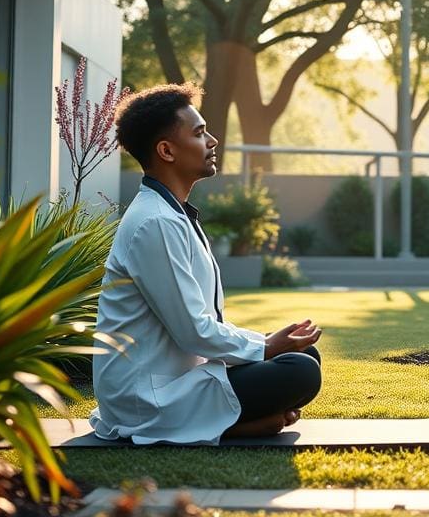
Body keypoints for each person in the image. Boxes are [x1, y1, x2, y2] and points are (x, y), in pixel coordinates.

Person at [89, 82, 322, 445]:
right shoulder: (155, 223)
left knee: (306, 353)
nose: (212, 140)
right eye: (199, 133)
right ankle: (238, 425)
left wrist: (267, 342)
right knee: (300, 371)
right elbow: (193, 332)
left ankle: (242, 421)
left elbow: (202, 327)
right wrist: (266, 347)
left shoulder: (173, 214)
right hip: (147, 397)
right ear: (166, 150)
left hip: (182, 377)